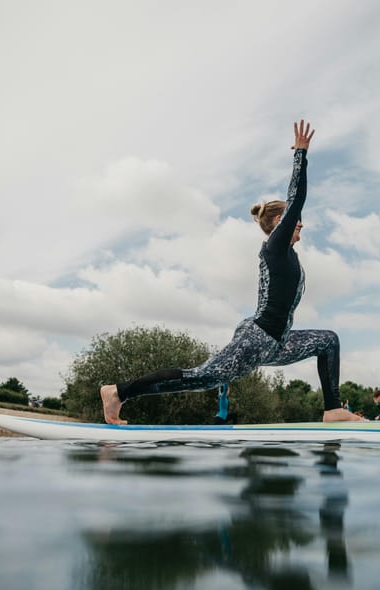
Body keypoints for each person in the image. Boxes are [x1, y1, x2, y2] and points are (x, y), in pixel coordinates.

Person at [100, 121, 363, 425]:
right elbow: (297, 200)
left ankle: (332, 409)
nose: (301, 223)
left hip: (277, 341)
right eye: (294, 220)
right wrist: (300, 155)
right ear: (280, 221)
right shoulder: (275, 247)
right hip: (258, 339)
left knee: (327, 341)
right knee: (201, 377)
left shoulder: (289, 254)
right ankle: (118, 393)